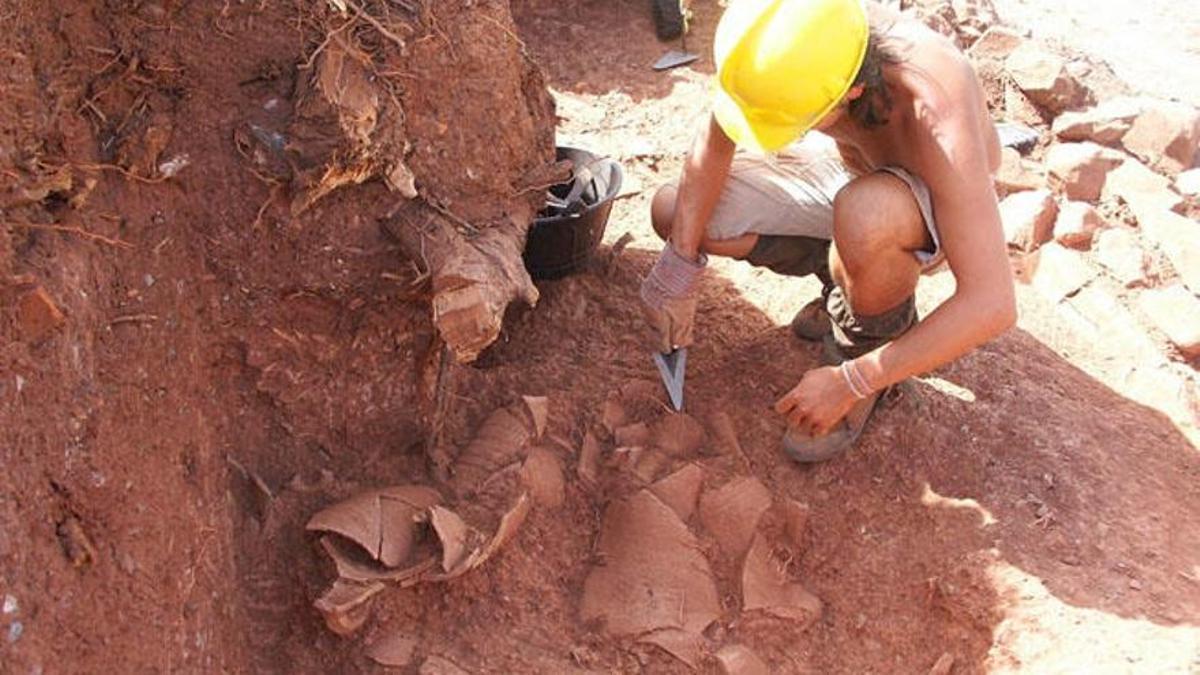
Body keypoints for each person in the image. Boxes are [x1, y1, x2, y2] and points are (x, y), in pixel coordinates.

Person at [640, 0, 1016, 462]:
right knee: (676, 210)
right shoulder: (791, 36)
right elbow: (716, 137)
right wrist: (679, 265)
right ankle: (843, 279)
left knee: (866, 215)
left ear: (853, 91)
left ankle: (867, 339)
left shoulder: (934, 110)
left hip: (925, 206)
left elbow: (992, 302)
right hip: (849, 175)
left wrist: (854, 380)